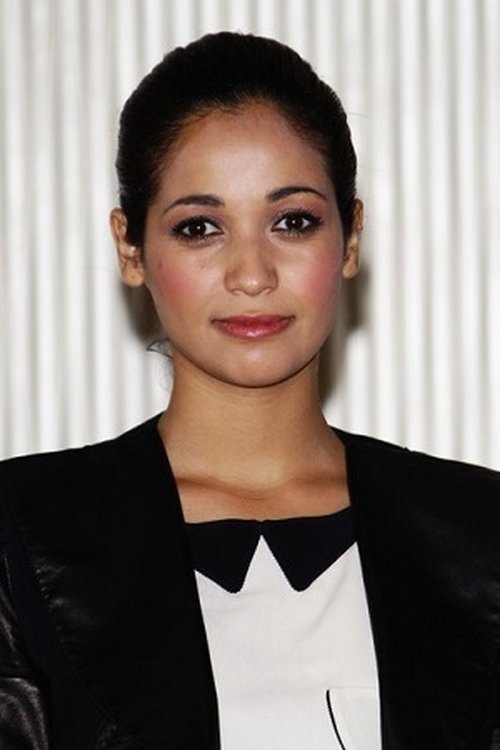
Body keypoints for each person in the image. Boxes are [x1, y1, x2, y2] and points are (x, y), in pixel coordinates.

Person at [0, 31, 499, 750]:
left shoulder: (480, 535)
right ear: (130, 248)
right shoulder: (23, 535)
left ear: (350, 237)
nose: (252, 274)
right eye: (200, 227)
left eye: (292, 221)